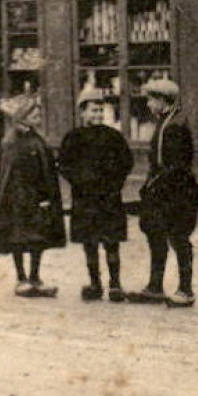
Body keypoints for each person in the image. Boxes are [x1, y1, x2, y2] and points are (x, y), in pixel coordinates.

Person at [128, 78, 198, 308]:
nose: (148, 104)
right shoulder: (167, 121)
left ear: (162, 100)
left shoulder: (174, 126)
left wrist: (154, 186)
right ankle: (155, 286)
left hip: (177, 191)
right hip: (163, 189)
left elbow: (176, 165)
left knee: (179, 238)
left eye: (151, 99)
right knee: (156, 234)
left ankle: (185, 290)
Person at [58, 88, 135, 302]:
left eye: (101, 110)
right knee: (89, 243)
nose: (98, 115)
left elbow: (126, 163)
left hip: (109, 198)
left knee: (112, 243)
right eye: (93, 110)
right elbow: (64, 165)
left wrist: (115, 183)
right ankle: (95, 283)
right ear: (82, 112)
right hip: (85, 199)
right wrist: (80, 182)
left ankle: (115, 285)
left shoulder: (113, 137)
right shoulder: (73, 138)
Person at [0, 94, 66, 297]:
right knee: (19, 238)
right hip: (20, 200)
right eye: (34, 112)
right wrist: (31, 198)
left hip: (36, 198)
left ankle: (35, 277)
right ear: (22, 116)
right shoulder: (12, 141)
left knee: (38, 239)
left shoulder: (33, 137)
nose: (38, 115)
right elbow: (11, 174)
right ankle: (21, 278)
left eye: (38, 112)